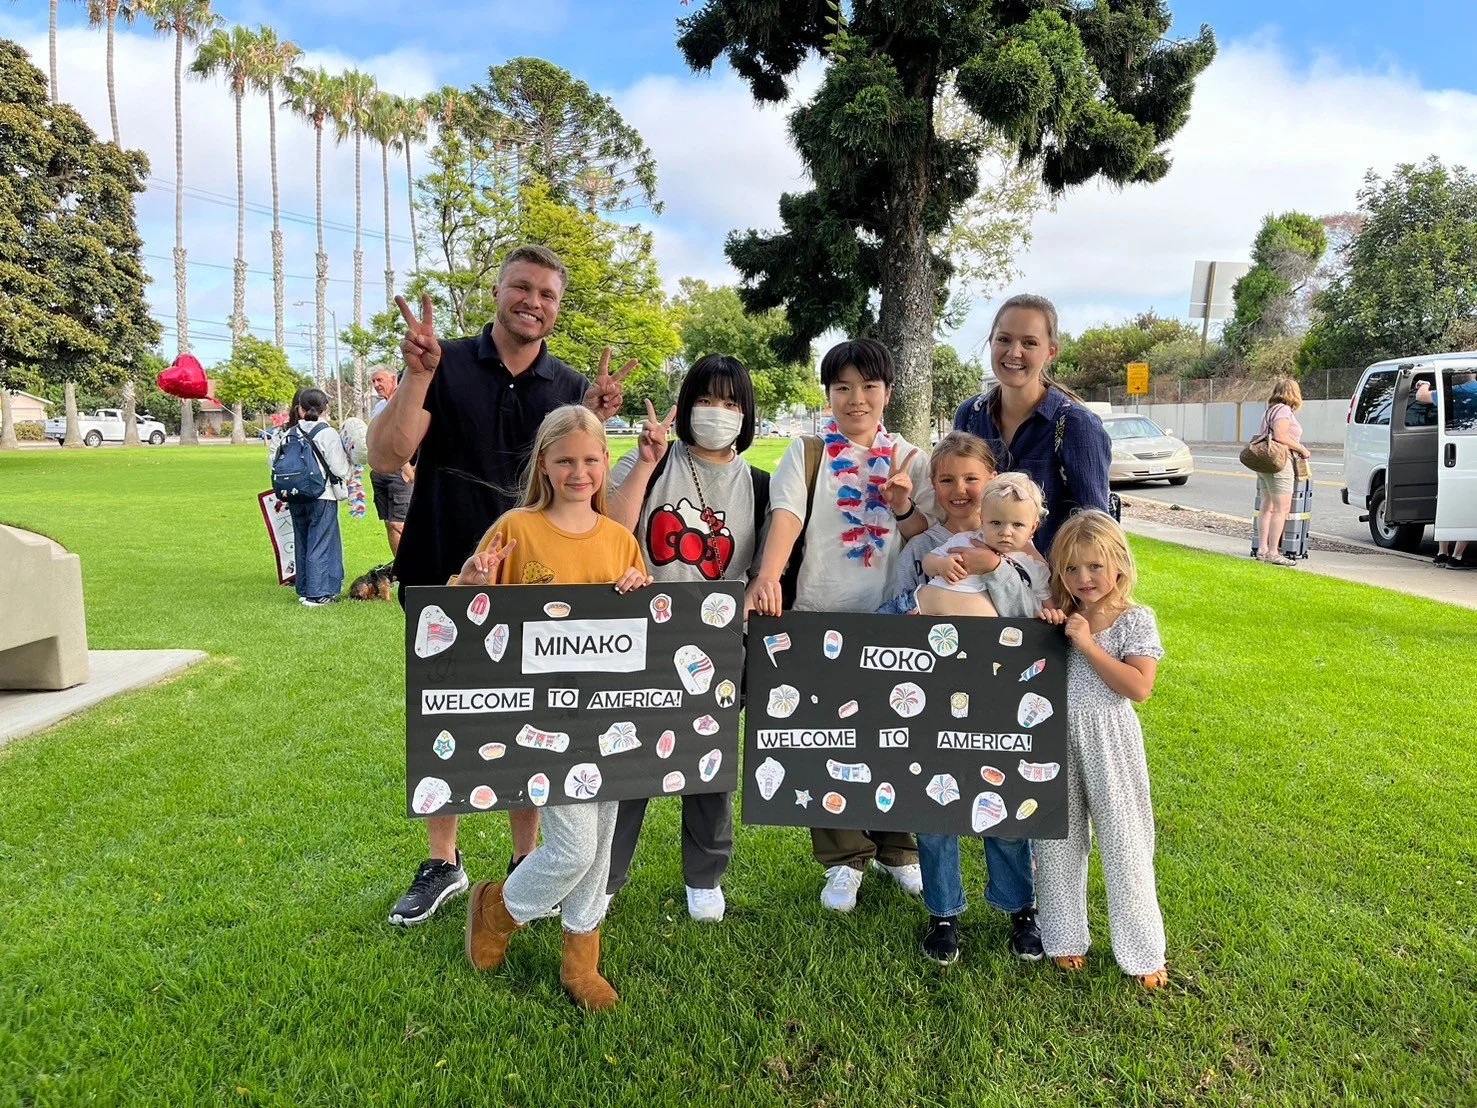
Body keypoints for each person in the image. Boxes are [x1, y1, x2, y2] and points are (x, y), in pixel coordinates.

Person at [367, 244, 633, 928]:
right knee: (446, 715)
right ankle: (443, 862)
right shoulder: (442, 360)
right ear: (497, 291)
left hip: (537, 583)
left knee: (534, 717)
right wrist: (417, 379)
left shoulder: (569, 387)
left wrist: (601, 416)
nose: (534, 302)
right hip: (444, 568)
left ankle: (524, 856)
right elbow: (388, 454)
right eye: (522, 287)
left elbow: (588, 490)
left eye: (547, 294)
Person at [458, 404, 651, 1011]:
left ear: (604, 465)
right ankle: (498, 908)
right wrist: (471, 582)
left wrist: (639, 594)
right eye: (565, 460)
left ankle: (580, 959)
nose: (579, 471)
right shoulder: (517, 528)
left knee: (603, 842)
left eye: (591, 460)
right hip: (543, 720)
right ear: (543, 461)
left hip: (611, 718)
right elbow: (466, 614)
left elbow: (649, 631)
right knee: (572, 847)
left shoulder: (621, 540)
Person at [746, 338, 936, 913]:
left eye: (869, 387)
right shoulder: (806, 453)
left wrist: (901, 506)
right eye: (843, 388)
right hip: (821, 614)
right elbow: (786, 517)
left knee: (898, 733)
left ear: (888, 393)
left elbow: (928, 534)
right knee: (828, 737)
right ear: (828, 394)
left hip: (896, 617)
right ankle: (844, 858)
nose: (856, 399)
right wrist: (768, 577)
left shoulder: (911, 457)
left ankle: (898, 848)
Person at [602, 355, 769, 923]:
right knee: (628, 759)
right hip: (644, 637)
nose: (717, 413)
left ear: (745, 413)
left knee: (709, 764)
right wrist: (646, 465)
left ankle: (705, 876)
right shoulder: (650, 460)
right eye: (706, 399)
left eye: (730, 403)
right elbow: (611, 533)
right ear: (686, 404)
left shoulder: (760, 484)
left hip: (719, 645)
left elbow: (762, 569)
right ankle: (606, 873)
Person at [874, 438, 1045, 964]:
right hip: (931, 698)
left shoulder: (1030, 557)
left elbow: (1033, 624)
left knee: (1009, 809)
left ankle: (1020, 908)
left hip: (998, 701)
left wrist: (991, 569)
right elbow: (890, 619)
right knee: (935, 809)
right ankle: (943, 913)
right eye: (945, 480)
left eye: (971, 478)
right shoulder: (928, 548)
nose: (959, 490)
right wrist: (924, 599)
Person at [1036, 511, 1168, 989]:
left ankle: (1142, 950)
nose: (1083, 579)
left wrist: (1088, 644)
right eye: (1071, 569)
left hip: (1110, 739)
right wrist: (1050, 625)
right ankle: (1064, 937)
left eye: (1094, 566)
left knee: (1126, 844)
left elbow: (1137, 687)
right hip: (1055, 739)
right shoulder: (1057, 615)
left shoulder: (1135, 619)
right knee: (1056, 842)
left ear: (1119, 565)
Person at [954, 294, 1111, 555]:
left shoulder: (1075, 425)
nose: (1014, 352)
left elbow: (1097, 531)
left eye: (1029, 342)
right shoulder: (970, 415)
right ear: (991, 341)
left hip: (1048, 587)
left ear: (1050, 352)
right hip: (976, 581)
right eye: (1004, 339)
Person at [917, 472, 1052, 619]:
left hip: (979, 632)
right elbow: (928, 562)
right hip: (924, 611)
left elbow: (1046, 605)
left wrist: (1052, 613)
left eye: (1017, 525)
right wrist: (940, 564)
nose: (1006, 532)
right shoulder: (965, 540)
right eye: (996, 523)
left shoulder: (1034, 568)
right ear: (982, 520)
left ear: (1033, 528)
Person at [269, 387, 349, 607]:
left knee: (302, 540)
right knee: (321, 542)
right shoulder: (327, 433)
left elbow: (275, 462)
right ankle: (318, 593)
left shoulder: (288, 433)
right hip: (322, 494)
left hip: (295, 494)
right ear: (326, 408)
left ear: (300, 409)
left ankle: (304, 588)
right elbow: (339, 468)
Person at [1415, 373, 1475, 568]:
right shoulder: (1467, 390)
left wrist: (1424, 383)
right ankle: (1457, 557)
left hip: (1451, 453)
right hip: (1470, 453)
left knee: (1449, 500)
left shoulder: (1453, 392)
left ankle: (1442, 553)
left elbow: (1421, 396)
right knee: (1469, 506)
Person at [1254, 377, 1312, 567]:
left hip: (1264, 463)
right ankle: (1273, 551)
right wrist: (1301, 448)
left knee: (1266, 506)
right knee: (1282, 509)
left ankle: (1262, 548)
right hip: (1279, 462)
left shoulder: (1269, 410)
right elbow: (1280, 436)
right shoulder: (1284, 411)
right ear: (1294, 393)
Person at [368, 368, 414, 556]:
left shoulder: (405, 403)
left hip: (400, 472)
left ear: (394, 379)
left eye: (380, 379)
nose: (376, 384)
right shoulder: (379, 407)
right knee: (389, 523)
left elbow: (402, 439)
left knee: (399, 523)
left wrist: (410, 471)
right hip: (380, 472)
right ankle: (399, 570)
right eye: (373, 381)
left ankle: (415, 566)